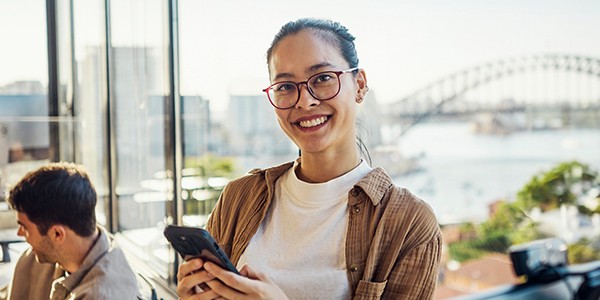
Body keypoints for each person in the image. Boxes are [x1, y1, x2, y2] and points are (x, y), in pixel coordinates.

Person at [176, 18, 442, 299]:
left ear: (360, 85)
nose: (304, 101)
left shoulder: (409, 223)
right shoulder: (239, 197)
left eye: (323, 78)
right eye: (286, 86)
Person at [4, 162, 140, 299]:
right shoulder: (39, 257)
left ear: (57, 234)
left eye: (25, 227)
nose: (19, 233)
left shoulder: (102, 294)